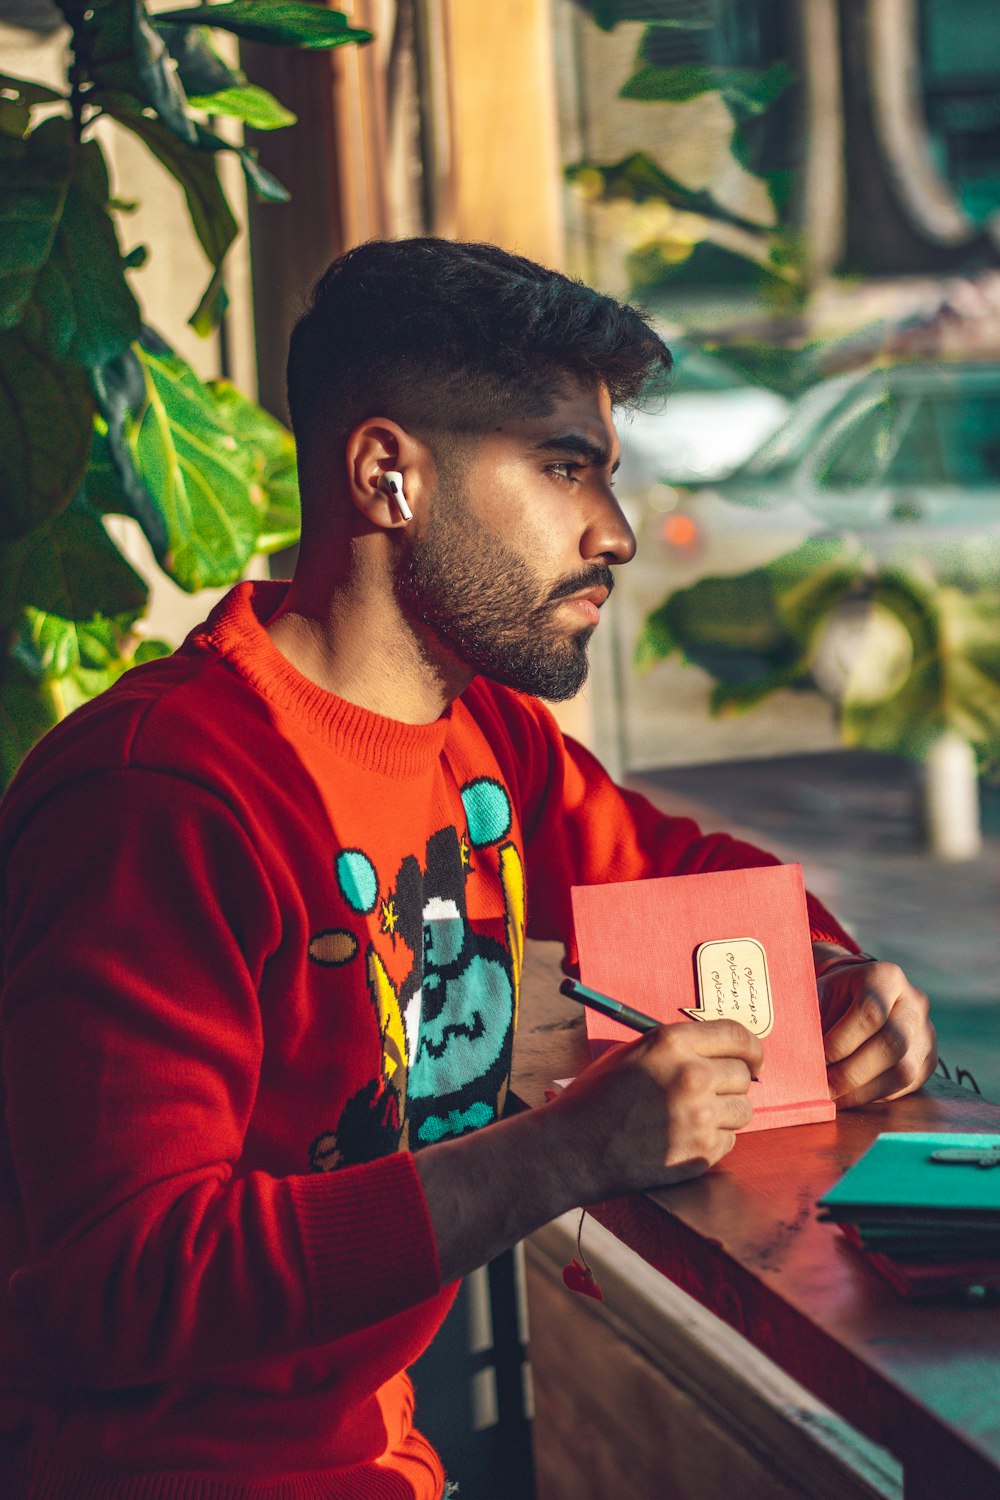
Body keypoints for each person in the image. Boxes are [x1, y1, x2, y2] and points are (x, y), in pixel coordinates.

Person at [0, 239, 936, 1500]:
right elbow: (116, 1285)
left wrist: (832, 976)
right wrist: (556, 1156)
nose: (613, 534)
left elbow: (681, 874)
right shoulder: (160, 801)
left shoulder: (483, 742)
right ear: (388, 476)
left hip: (386, 1463)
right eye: (564, 470)